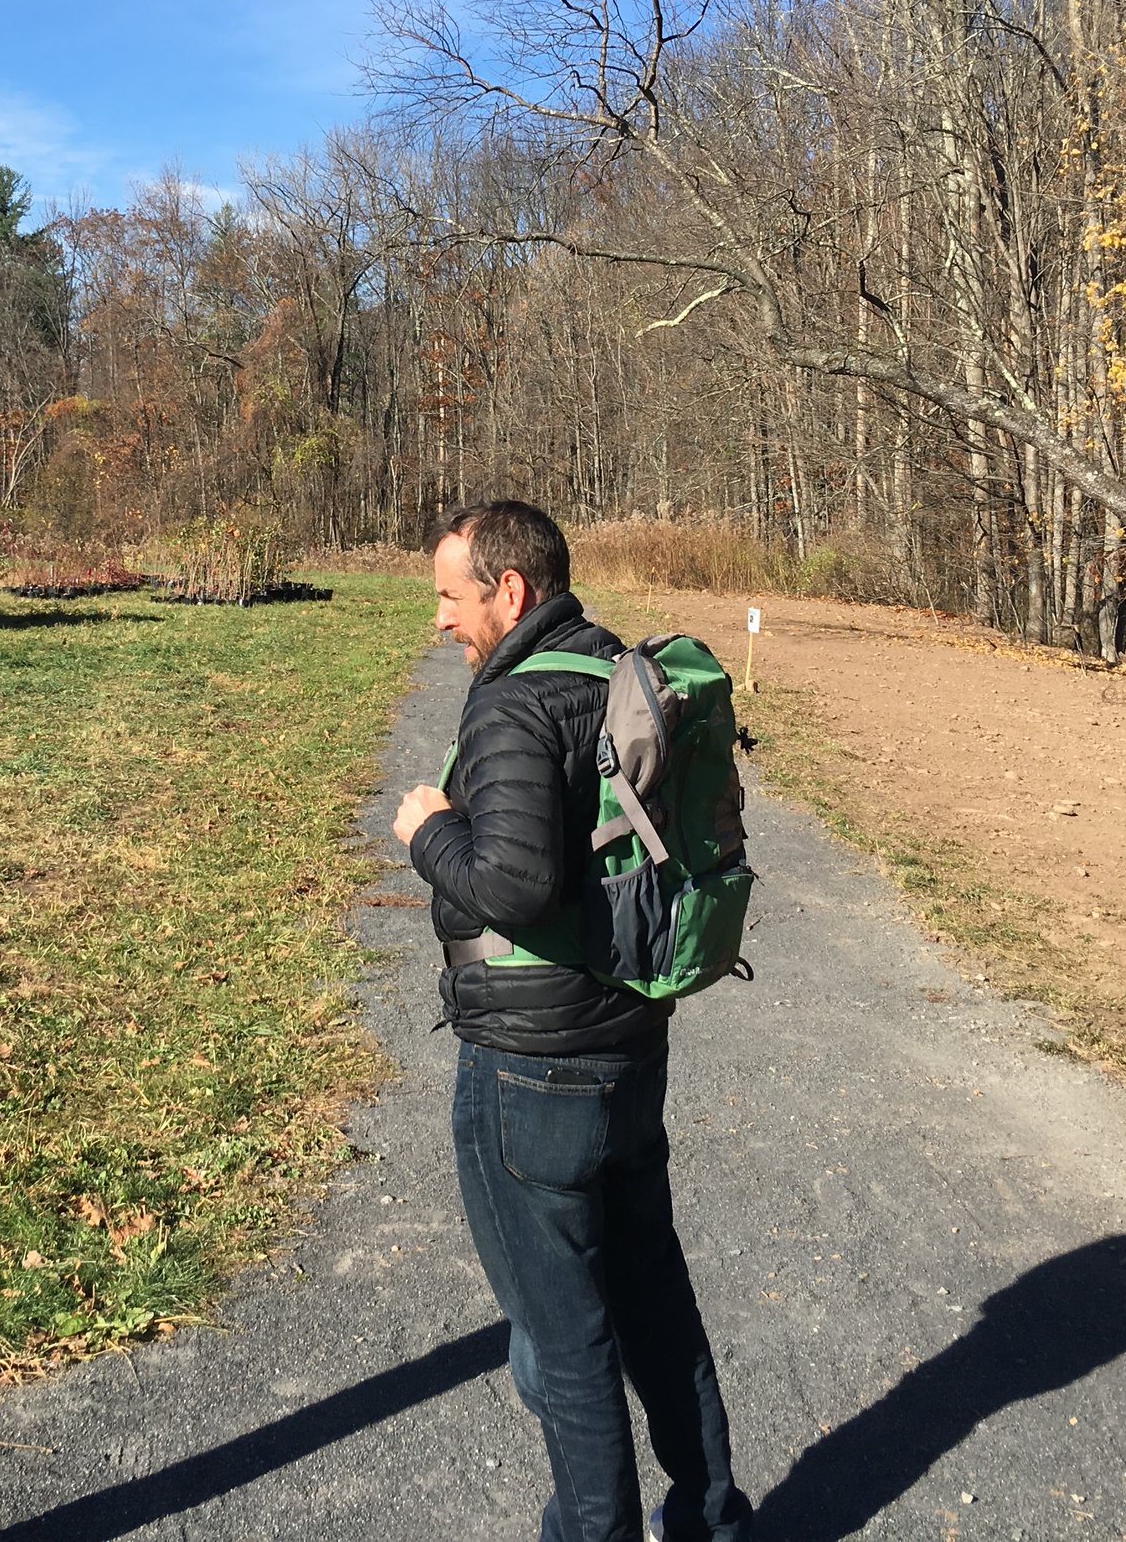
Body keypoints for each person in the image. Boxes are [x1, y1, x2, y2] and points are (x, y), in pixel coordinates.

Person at [391, 499, 753, 1542]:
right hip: (629, 1041)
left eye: (451, 599)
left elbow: (511, 884)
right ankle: (710, 1518)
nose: (443, 621)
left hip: (534, 1069)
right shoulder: (610, 671)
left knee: (566, 1338)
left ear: (509, 591)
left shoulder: (510, 706)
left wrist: (430, 830)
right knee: (652, 1295)